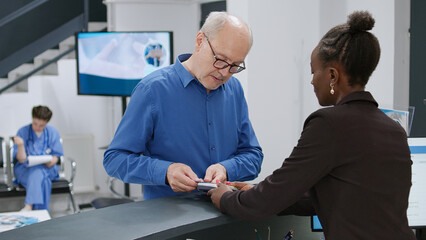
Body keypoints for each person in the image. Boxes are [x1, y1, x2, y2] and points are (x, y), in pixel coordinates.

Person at [208, 11, 415, 240]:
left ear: (333, 76)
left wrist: (225, 197)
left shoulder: (329, 124)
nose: (312, 80)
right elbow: (340, 196)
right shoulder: (394, 130)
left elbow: (268, 200)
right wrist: (256, 191)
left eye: (314, 71)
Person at [104, 12, 263, 200]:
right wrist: (166, 171)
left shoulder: (234, 89)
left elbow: (253, 156)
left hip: (225, 214)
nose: (224, 73)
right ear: (200, 41)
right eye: (220, 59)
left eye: (235, 66)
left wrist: (226, 169)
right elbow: (115, 159)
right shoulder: (152, 90)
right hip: (169, 221)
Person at [13, 105, 63, 211]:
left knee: (39, 172)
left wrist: (52, 161)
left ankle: (29, 206)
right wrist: (21, 145)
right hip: (25, 170)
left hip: (48, 168)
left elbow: (57, 157)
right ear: (32, 119)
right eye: (35, 123)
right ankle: (42, 215)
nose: (37, 127)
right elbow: (21, 160)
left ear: (47, 123)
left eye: (41, 125)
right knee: (43, 179)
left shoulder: (53, 133)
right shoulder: (23, 132)